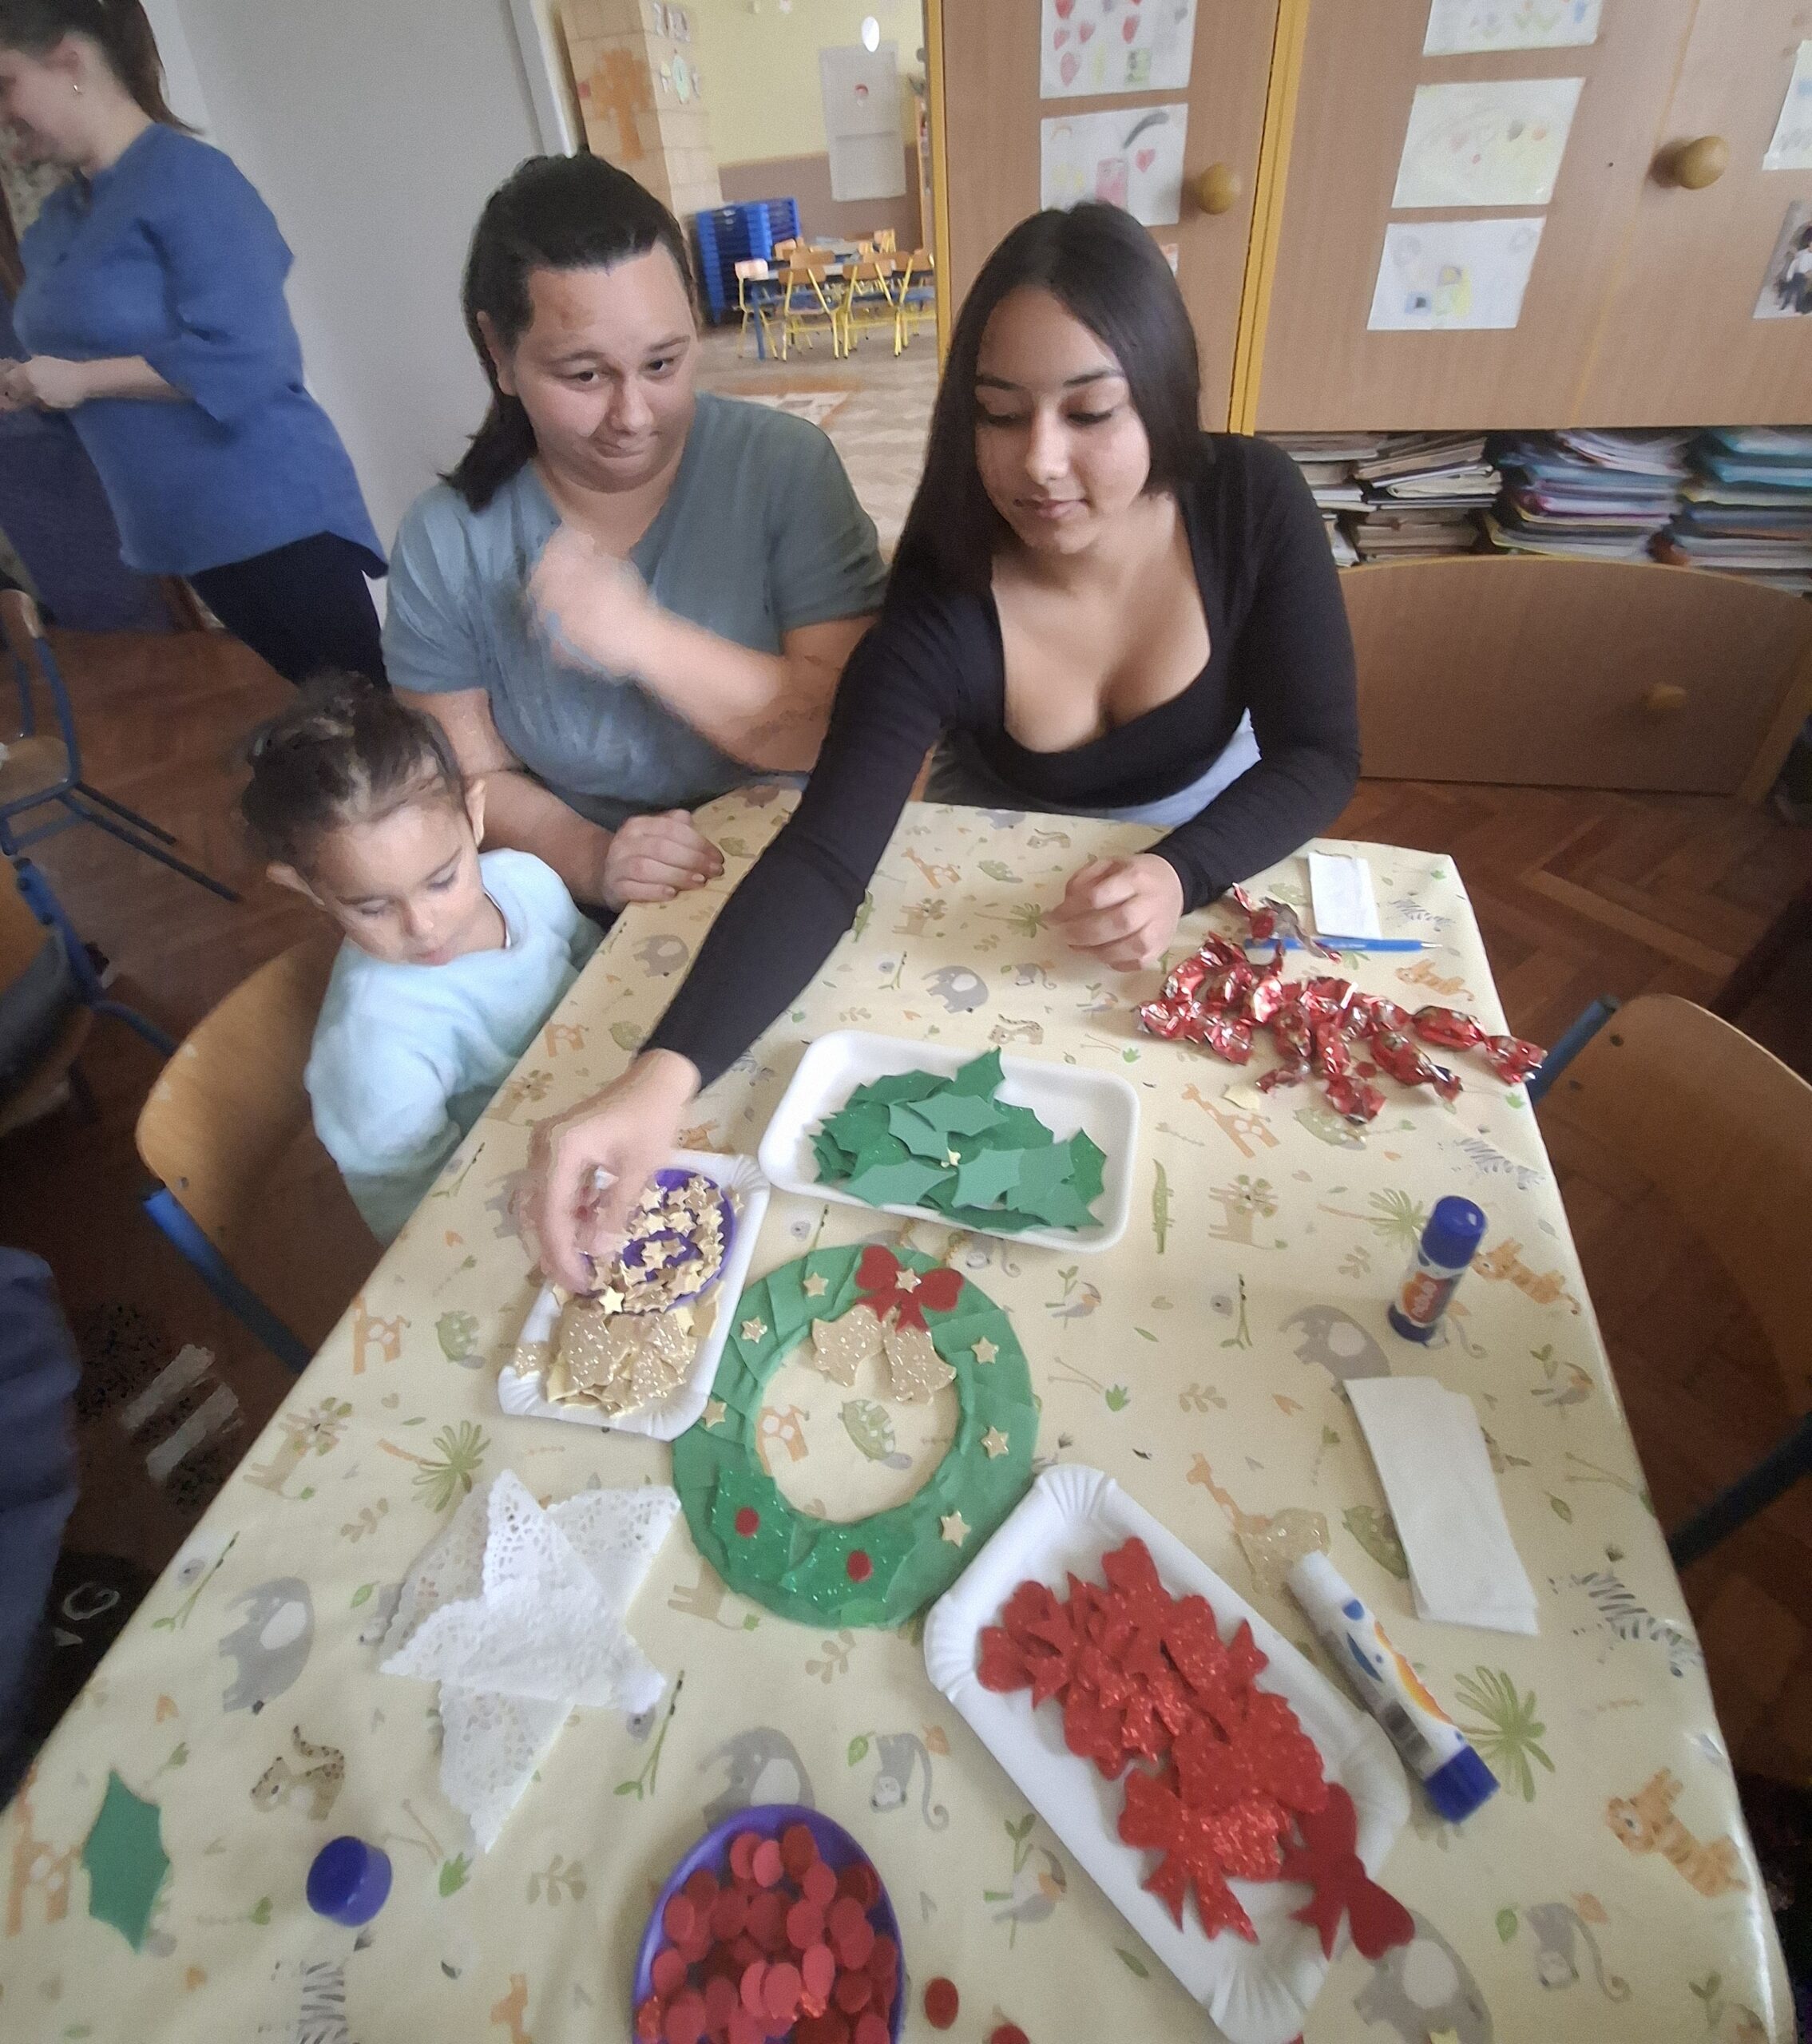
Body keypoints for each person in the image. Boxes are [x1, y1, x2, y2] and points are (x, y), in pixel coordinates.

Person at [527, 203, 1362, 1285]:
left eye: (1090, 411)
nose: (1040, 463)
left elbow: (1316, 753)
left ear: (1160, 395)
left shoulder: (1252, 501)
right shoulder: (946, 590)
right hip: (1006, 852)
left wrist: (1178, 868)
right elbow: (825, 857)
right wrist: (662, 1077)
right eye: (999, 414)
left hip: (1212, 822)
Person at [384, 152, 889, 917]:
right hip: (574, 893)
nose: (632, 415)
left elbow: (843, 731)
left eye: (661, 363)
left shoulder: (784, 468)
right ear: (499, 354)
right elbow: (466, 779)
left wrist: (642, 638)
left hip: (791, 863)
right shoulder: (446, 539)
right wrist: (597, 859)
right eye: (585, 376)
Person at [0, 0, 386, 683]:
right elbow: (77, 364)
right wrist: (34, 388)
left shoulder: (192, 179)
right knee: (317, 704)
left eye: (6, 85)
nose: (3, 112)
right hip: (178, 528)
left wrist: (80, 381)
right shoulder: (59, 219)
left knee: (368, 710)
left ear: (70, 62)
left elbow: (251, 355)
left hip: (270, 512)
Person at [242, 676, 598, 1243]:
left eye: (441, 880)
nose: (423, 926)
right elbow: (416, 1216)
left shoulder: (526, 879)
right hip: (521, 1213)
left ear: (474, 816)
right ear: (308, 890)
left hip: (611, 1115)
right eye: (372, 907)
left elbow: (601, 973)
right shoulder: (372, 1044)